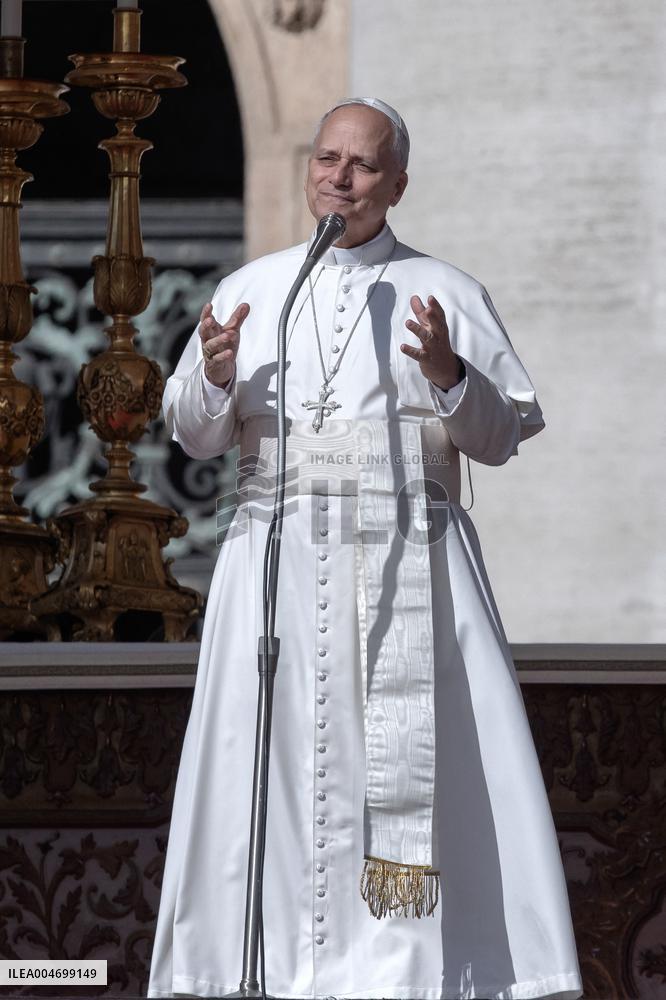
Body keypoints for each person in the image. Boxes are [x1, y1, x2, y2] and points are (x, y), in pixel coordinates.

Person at [147, 98, 583, 1000]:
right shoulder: (253, 291)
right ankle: (257, 970)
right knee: (270, 767)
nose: (339, 178)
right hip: (273, 565)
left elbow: (501, 437)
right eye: (327, 159)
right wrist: (217, 377)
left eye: (362, 164)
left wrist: (449, 375)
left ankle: (409, 974)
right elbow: (192, 436)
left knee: (409, 774)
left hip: (409, 566)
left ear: (398, 184)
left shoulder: (447, 292)